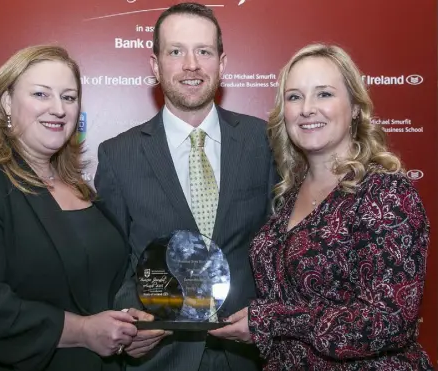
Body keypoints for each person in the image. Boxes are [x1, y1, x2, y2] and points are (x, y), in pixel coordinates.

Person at [0, 45, 147, 371]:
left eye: (68, 98)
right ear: (6, 102)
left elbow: (95, 285)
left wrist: (126, 326)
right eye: (41, 94)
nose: (58, 109)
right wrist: (82, 331)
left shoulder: (82, 189)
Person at [208, 43, 434, 370]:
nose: (307, 109)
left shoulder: (385, 192)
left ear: (355, 107)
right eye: (294, 96)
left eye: (324, 94)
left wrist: (272, 319)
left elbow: (388, 322)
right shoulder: (290, 193)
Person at [94, 3, 277, 371]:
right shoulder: (118, 155)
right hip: (161, 357)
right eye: (176, 51)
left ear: (221, 64)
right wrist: (130, 317)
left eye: (204, 51)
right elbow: (114, 267)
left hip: (250, 357)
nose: (191, 64)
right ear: (155, 64)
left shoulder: (266, 141)